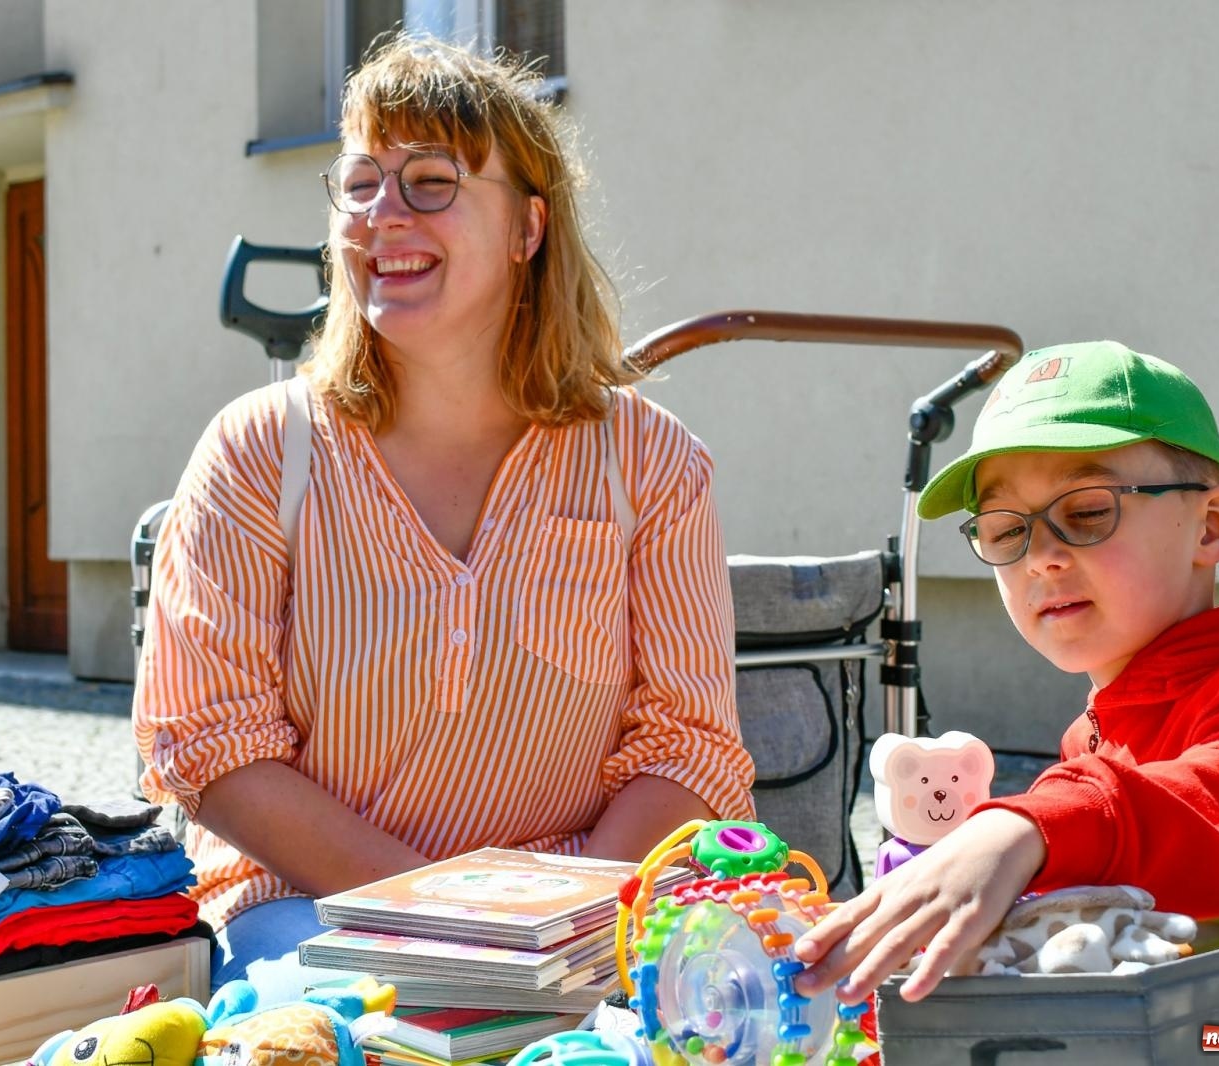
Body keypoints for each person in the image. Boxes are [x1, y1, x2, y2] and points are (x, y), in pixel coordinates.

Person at [132, 35, 755, 1000]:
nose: (383, 214)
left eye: (430, 181)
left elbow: (687, 744)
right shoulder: (260, 452)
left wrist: (565, 921)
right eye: (362, 181)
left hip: (584, 914)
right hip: (315, 917)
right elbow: (215, 749)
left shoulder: (651, 461)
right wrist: (449, 924)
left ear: (527, 229)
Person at [794, 340, 1219, 1004]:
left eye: (1088, 511)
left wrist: (1028, 826)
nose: (1040, 557)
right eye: (1006, 530)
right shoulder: (1090, 736)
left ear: (1210, 526)